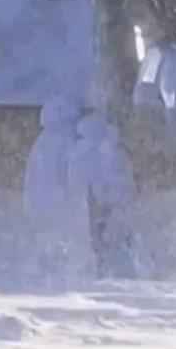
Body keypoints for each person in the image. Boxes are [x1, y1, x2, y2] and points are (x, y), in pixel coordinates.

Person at [22, 96, 94, 281]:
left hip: (41, 203)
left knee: (48, 242)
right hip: (59, 203)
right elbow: (71, 175)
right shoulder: (66, 142)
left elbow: (31, 178)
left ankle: (46, 273)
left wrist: (31, 202)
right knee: (63, 243)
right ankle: (61, 277)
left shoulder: (41, 142)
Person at [68, 112, 137, 279]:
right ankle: (106, 269)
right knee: (105, 239)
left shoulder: (83, 151)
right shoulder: (101, 152)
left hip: (97, 203)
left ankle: (104, 269)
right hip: (102, 203)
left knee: (100, 239)